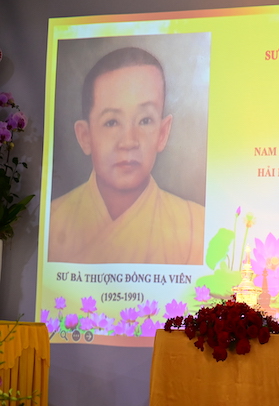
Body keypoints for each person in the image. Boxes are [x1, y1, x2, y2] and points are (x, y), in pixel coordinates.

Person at [48, 47, 205, 265]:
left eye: (145, 120)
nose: (129, 142)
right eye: (112, 122)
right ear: (85, 136)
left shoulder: (197, 225)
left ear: (162, 133)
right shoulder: (51, 221)